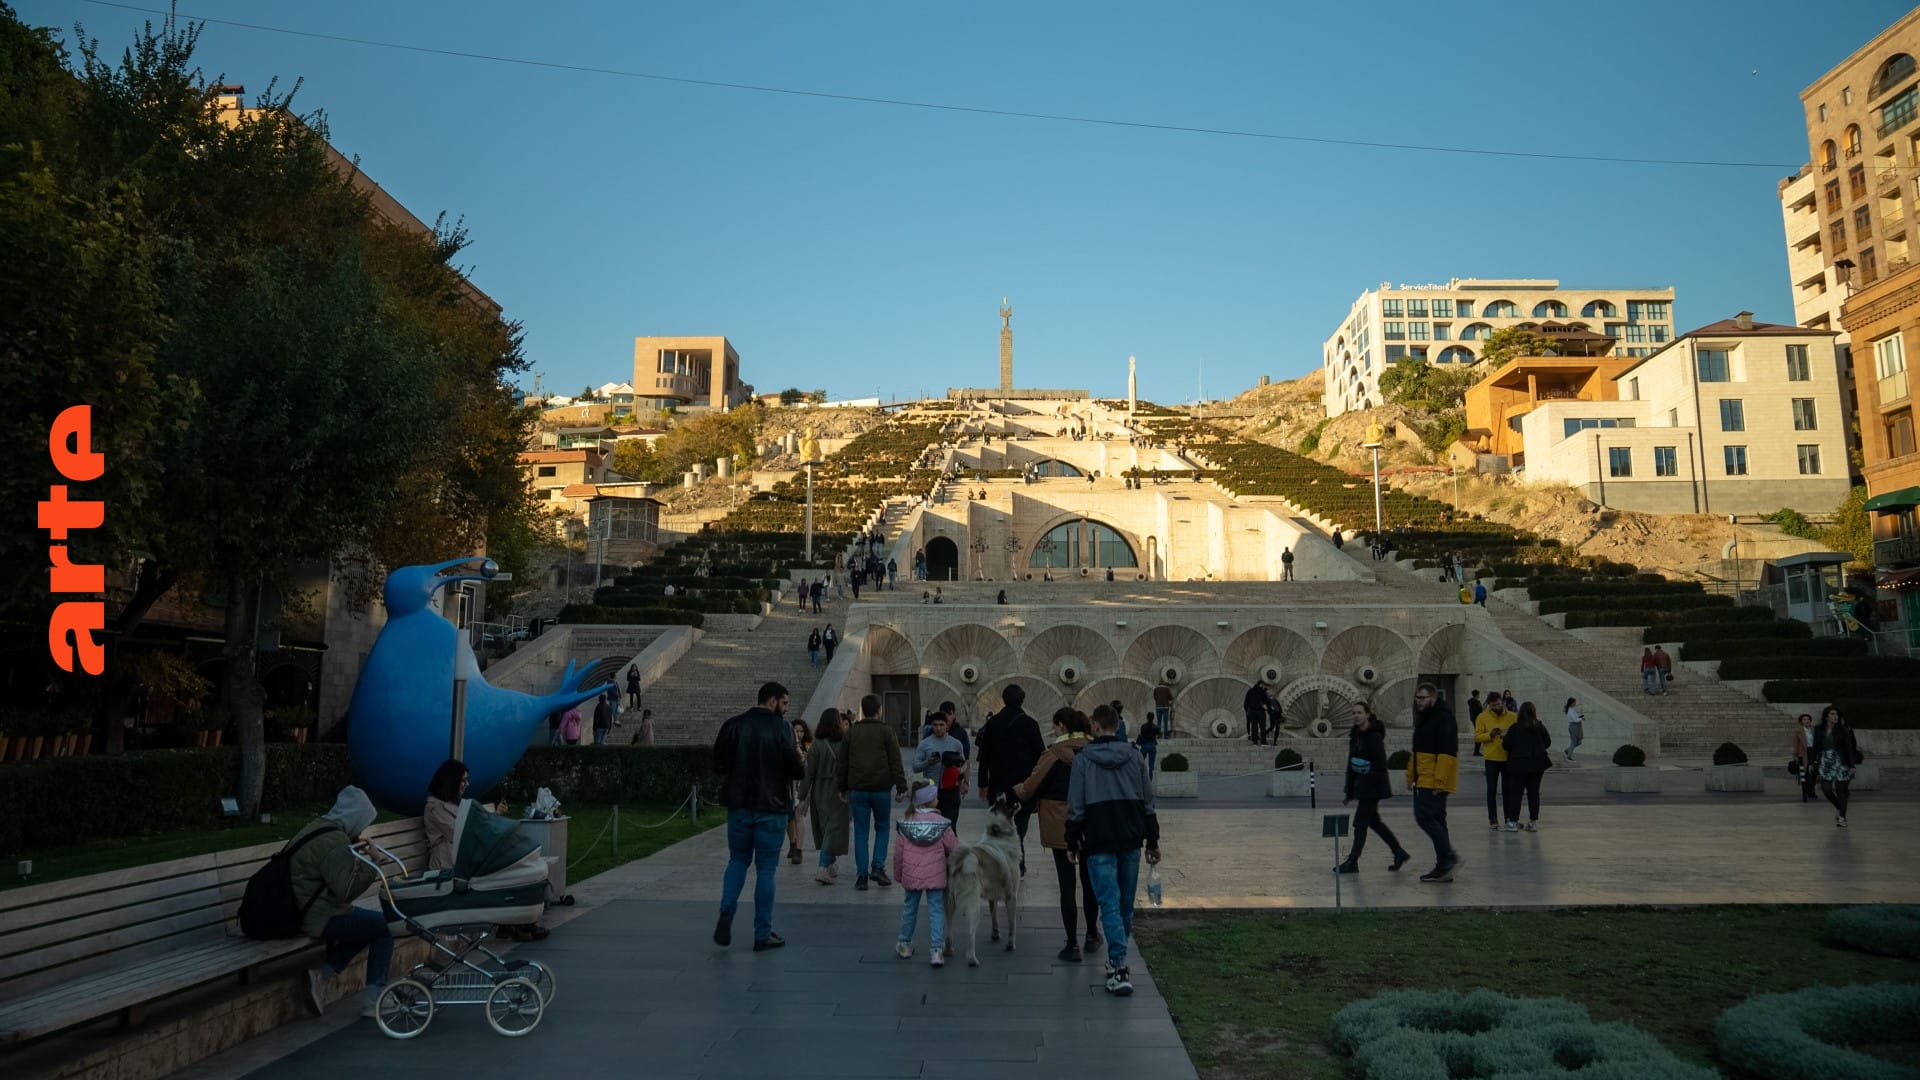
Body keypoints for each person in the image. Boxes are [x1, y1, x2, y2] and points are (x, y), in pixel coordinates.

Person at [1067, 704, 1161, 998]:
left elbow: (1076, 805)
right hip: (1131, 839)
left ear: (1094, 725)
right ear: (1118, 724)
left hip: (1099, 840)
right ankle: (1117, 960)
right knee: (1124, 906)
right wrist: (1154, 841)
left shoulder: (1082, 760)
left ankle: (1119, 966)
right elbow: (1148, 802)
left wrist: (1072, 841)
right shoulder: (1134, 756)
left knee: (1108, 903)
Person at [711, 681, 805, 951]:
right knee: (766, 869)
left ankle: (727, 910)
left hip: (739, 805)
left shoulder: (733, 725)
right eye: (784, 703)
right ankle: (762, 933)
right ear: (773, 701)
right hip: (772, 808)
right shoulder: (782, 728)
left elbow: (717, 763)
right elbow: (797, 770)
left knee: (737, 860)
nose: (786, 709)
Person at [294, 786, 390, 1018]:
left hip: (303, 908)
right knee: (384, 927)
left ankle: (323, 975)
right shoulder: (334, 841)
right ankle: (373, 1000)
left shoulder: (317, 827)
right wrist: (372, 863)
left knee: (369, 926)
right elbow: (346, 890)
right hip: (315, 916)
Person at [1013, 709, 1099, 961]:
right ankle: (1092, 934)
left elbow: (1029, 789)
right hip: (1092, 823)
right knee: (1089, 882)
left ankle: (1071, 944)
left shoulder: (1052, 754)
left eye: (1056, 726)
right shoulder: (1096, 751)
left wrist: (1018, 787)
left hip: (1060, 823)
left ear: (1061, 726)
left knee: (1066, 884)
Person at [837, 693, 907, 890]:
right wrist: (901, 787)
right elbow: (896, 761)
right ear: (879, 710)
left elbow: (843, 762)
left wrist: (842, 787)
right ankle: (877, 866)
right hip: (881, 789)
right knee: (882, 828)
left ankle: (861, 876)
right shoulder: (886, 731)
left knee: (860, 832)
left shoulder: (851, 733)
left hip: (858, 789)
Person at [976, 683, 1046, 875]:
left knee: (1001, 826)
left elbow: (985, 757)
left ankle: (1007, 863)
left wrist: (982, 783)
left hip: (998, 785)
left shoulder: (993, 723)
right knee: (1019, 827)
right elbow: (1041, 755)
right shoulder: (1030, 724)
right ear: (1022, 700)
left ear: (1004, 700)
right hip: (1023, 787)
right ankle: (1017, 864)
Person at [1338, 703, 1411, 873]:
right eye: (1354, 713)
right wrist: (1349, 790)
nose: (1356, 716)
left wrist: (1365, 773)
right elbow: (1351, 764)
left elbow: (1379, 764)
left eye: (1359, 713)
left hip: (1372, 787)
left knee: (1360, 823)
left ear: (1368, 714)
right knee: (1374, 822)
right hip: (1362, 786)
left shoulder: (1374, 736)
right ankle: (1399, 852)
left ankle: (1353, 861)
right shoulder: (1355, 735)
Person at [893, 779, 958, 967]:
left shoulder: (906, 823)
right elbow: (954, 848)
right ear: (930, 801)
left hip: (911, 876)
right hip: (936, 874)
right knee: (936, 910)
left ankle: (904, 944)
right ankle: (936, 951)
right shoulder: (942, 823)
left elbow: (898, 854)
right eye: (935, 796)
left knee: (909, 909)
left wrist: (899, 874)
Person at [1407, 682, 1461, 883]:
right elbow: (1418, 750)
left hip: (1435, 779)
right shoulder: (1425, 718)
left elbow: (1447, 752)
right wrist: (1411, 775)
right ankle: (1443, 867)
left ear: (1433, 698)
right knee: (1437, 819)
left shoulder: (1443, 718)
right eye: (1417, 698)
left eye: (1422, 698)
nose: (1418, 701)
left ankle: (1448, 857)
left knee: (1424, 816)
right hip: (1425, 777)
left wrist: (1439, 781)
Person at [804, 709, 850, 885]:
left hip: (820, 791)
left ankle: (830, 863)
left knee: (826, 828)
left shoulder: (817, 745)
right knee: (833, 830)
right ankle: (823, 866)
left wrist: (803, 796)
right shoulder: (844, 742)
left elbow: (809, 773)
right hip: (839, 790)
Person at [1500, 703, 1551, 832]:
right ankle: (1533, 822)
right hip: (1537, 765)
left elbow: (1506, 745)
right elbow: (1548, 742)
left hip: (1518, 765)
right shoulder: (1539, 727)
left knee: (1516, 793)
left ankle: (1513, 822)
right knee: (1534, 793)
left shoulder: (1515, 728)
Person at [913, 712, 970, 824]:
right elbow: (915, 767)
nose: (938, 728)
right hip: (931, 792)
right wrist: (927, 762)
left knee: (950, 827)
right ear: (931, 726)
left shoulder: (956, 744)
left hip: (951, 791)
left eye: (941, 725)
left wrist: (964, 782)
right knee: (932, 828)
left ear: (947, 726)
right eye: (935, 725)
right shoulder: (925, 744)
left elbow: (964, 764)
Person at [1811, 705, 1862, 827]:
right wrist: (1813, 762)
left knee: (1841, 791)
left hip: (1841, 761)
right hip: (1825, 761)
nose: (1835, 717)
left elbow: (1849, 748)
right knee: (1826, 789)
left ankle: (1842, 817)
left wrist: (1851, 765)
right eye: (1833, 714)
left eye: (1837, 715)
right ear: (1826, 716)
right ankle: (1840, 808)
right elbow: (1815, 747)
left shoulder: (1843, 730)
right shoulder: (1818, 729)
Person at [1473, 695, 1511, 830]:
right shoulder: (1482, 717)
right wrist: (1490, 735)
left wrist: (1507, 735)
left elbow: (1518, 733)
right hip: (1491, 758)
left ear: (1503, 703)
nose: (1497, 707)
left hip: (1507, 758)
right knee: (1491, 790)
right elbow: (1477, 737)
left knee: (1508, 790)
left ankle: (1509, 817)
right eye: (1494, 705)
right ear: (1489, 705)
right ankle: (1493, 818)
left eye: (1499, 704)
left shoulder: (1512, 716)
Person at [787, 718, 814, 864]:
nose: (799, 734)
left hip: (803, 786)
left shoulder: (809, 746)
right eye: (796, 731)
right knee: (789, 818)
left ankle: (799, 850)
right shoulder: (786, 745)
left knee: (799, 816)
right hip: (788, 786)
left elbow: (808, 767)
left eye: (801, 731)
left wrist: (800, 753)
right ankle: (792, 843)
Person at [1791, 713, 1818, 802]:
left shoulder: (1814, 730)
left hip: (1813, 752)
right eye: (1804, 719)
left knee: (1813, 772)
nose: (1807, 721)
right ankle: (1808, 791)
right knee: (1806, 773)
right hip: (1803, 753)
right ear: (1801, 722)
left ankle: (1810, 789)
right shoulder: (1798, 731)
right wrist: (1795, 755)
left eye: (1808, 719)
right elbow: (1795, 744)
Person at [1243, 680, 1271, 746]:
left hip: (1252, 712)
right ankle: (1263, 742)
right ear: (1261, 684)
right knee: (1262, 727)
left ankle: (1254, 742)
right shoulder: (1262, 691)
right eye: (1263, 685)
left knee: (1254, 727)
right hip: (1260, 711)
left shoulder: (1250, 691)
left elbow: (1246, 702)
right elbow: (1266, 701)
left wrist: (1247, 711)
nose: (1264, 686)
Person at [1134, 709, 1159, 775]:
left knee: (1140, 762)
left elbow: (1142, 734)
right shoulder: (1155, 727)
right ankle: (1150, 780)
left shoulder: (1144, 726)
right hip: (1152, 745)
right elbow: (1158, 734)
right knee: (1151, 765)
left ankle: (1139, 776)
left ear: (1147, 718)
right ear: (1153, 718)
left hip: (1144, 745)